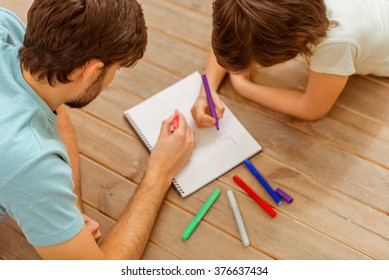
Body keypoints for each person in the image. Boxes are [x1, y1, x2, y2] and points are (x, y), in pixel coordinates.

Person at [0, 0, 194, 259]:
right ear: (91, 72)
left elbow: (57, 105)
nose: (113, 79)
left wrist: (69, 210)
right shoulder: (30, 159)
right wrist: (160, 173)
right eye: (116, 70)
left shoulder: (7, 26)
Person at [191, 0, 389, 124]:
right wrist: (205, 91)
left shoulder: (335, 43)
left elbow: (312, 109)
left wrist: (243, 86)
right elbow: (234, 33)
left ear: (295, 43)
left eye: (257, 63)